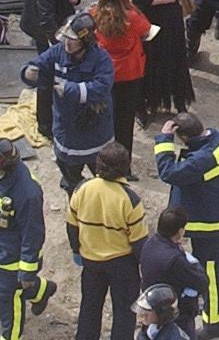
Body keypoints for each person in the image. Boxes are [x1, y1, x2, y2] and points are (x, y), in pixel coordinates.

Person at [152, 113, 219, 339]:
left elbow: (169, 173)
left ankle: (215, 324)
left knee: (212, 274)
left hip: (213, 225)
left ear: (183, 136)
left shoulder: (199, 160)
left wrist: (164, 141)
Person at [0, 138, 56, 339]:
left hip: (13, 257)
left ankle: (10, 336)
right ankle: (41, 289)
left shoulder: (27, 193)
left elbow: (33, 234)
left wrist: (27, 271)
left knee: (7, 298)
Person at [23, 12, 116, 193]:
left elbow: (101, 88)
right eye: (65, 38)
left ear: (85, 42)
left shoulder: (101, 60)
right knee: (70, 177)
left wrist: (68, 89)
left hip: (95, 128)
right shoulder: (58, 52)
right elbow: (38, 64)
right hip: (67, 129)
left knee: (105, 180)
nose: (66, 43)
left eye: (71, 39)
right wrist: (28, 72)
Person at [68, 142, 149, 340]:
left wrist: (76, 250)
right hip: (122, 264)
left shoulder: (82, 189)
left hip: (91, 261)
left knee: (89, 307)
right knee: (124, 312)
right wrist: (143, 267)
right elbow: (139, 242)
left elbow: (72, 225)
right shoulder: (130, 200)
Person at [21, 0, 86, 146]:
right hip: (44, 32)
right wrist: (59, 45)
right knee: (46, 77)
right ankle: (45, 125)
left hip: (54, 25)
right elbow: (46, 19)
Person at [92, 0, 158, 156]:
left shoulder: (94, 14)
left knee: (106, 116)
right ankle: (123, 162)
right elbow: (146, 30)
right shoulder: (132, 16)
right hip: (130, 73)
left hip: (104, 72)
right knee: (125, 120)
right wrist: (132, 5)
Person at [137, 208, 206, 336]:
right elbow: (201, 282)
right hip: (175, 314)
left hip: (152, 305)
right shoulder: (175, 260)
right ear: (180, 231)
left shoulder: (150, 244)